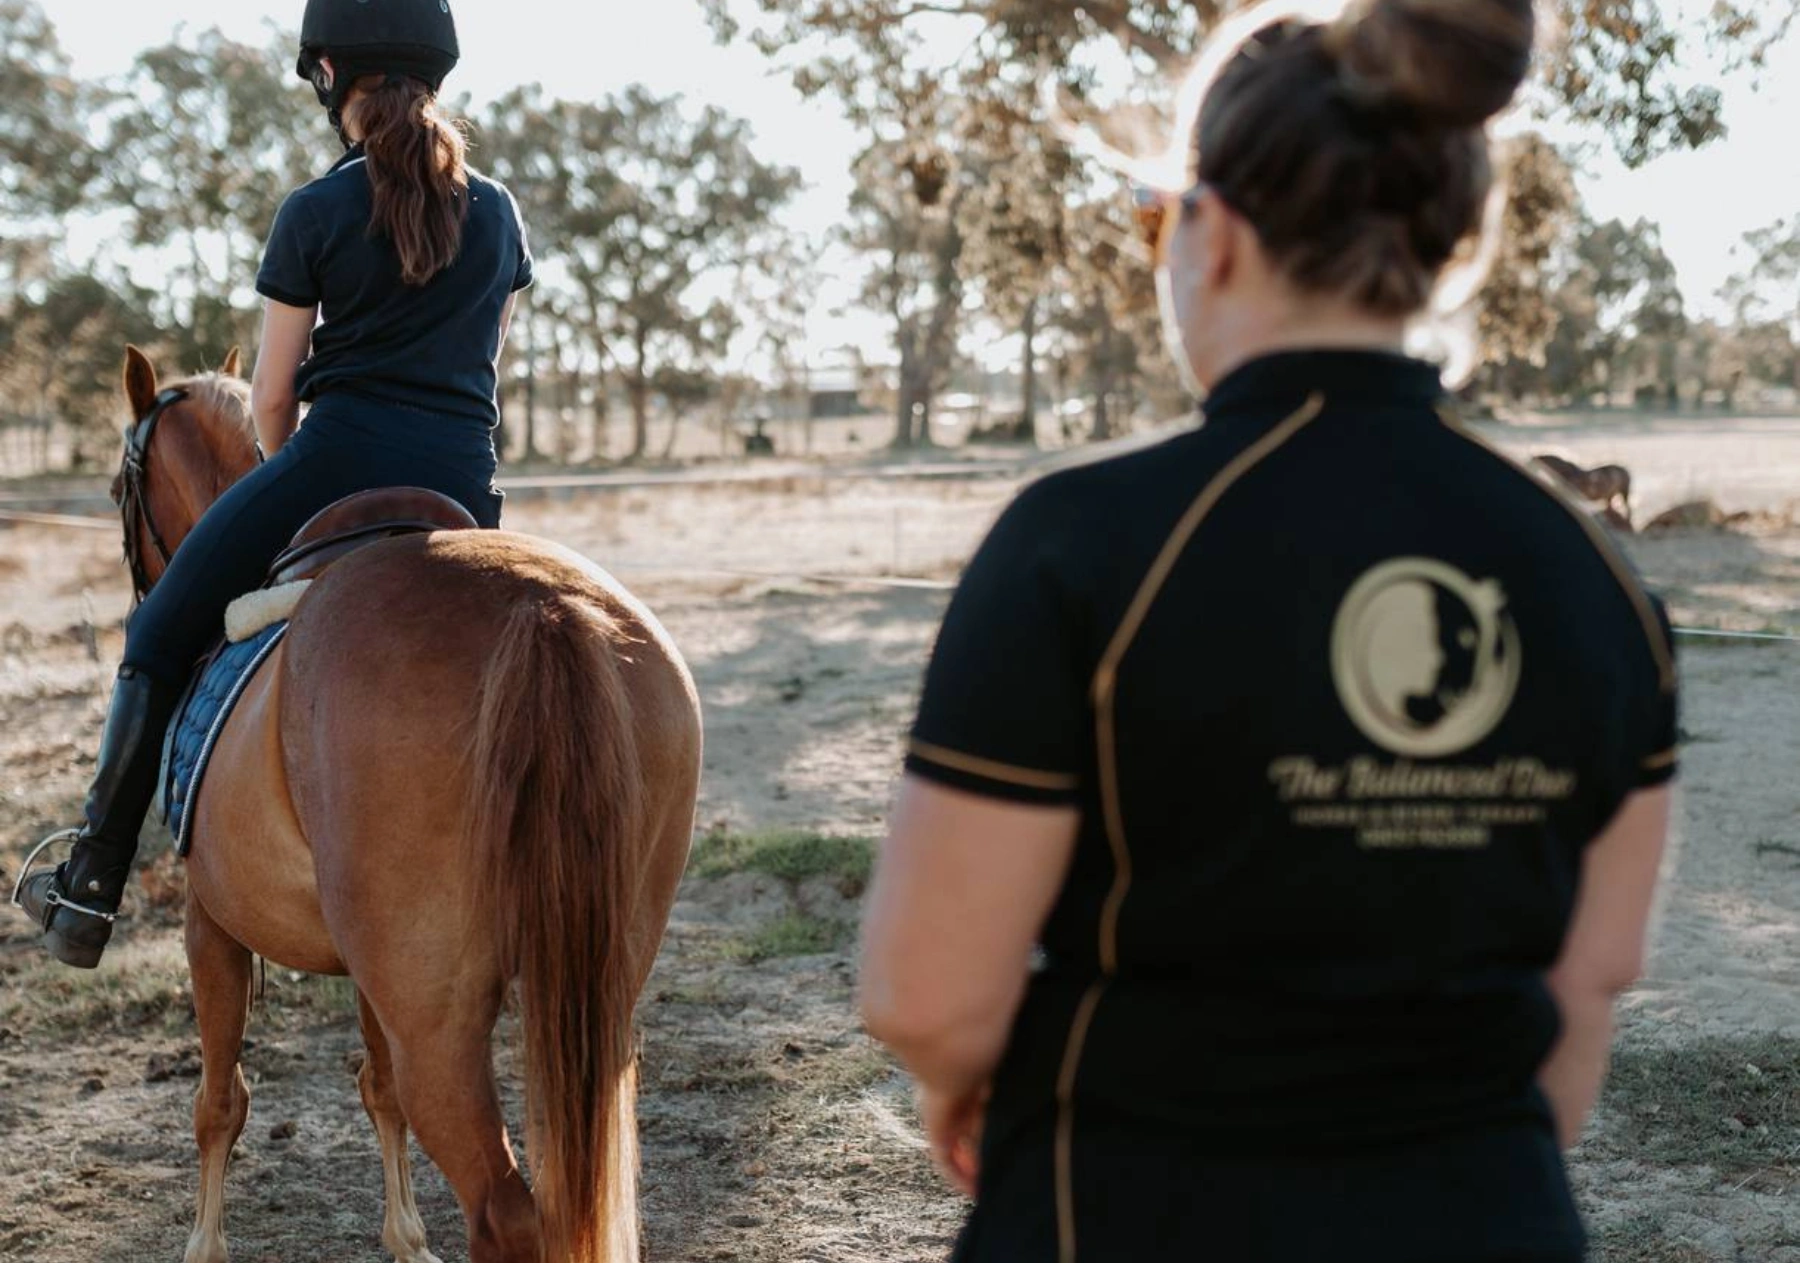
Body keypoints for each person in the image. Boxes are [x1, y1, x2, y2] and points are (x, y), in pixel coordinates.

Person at [859, 0, 1678, 1258]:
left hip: (1125, 1211)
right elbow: (1591, 980)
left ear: (1219, 235)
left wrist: (974, 1077)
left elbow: (926, 993)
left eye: (1156, 221)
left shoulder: (1081, 541)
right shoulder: (1597, 576)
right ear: (1448, 247)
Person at [16, 0, 533, 970]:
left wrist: (287, 472)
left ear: (328, 76)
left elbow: (272, 393)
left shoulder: (316, 209)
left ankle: (91, 881)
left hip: (333, 457)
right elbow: (487, 354)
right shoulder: (498, 210)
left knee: (158, 631)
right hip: (467, 483)